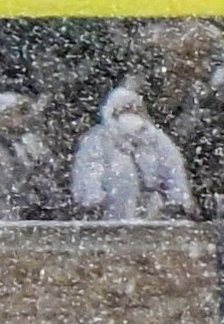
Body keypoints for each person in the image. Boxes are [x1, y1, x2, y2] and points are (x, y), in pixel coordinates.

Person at [71, 80, 190, 221]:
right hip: (111, 213)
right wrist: (93, 200)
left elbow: (173, 170)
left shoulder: (156, 139)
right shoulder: (98, 139)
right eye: (124, 108)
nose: (130, 112)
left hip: (154, 214)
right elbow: (89, 171)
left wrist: (178, 200)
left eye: (133, 108)